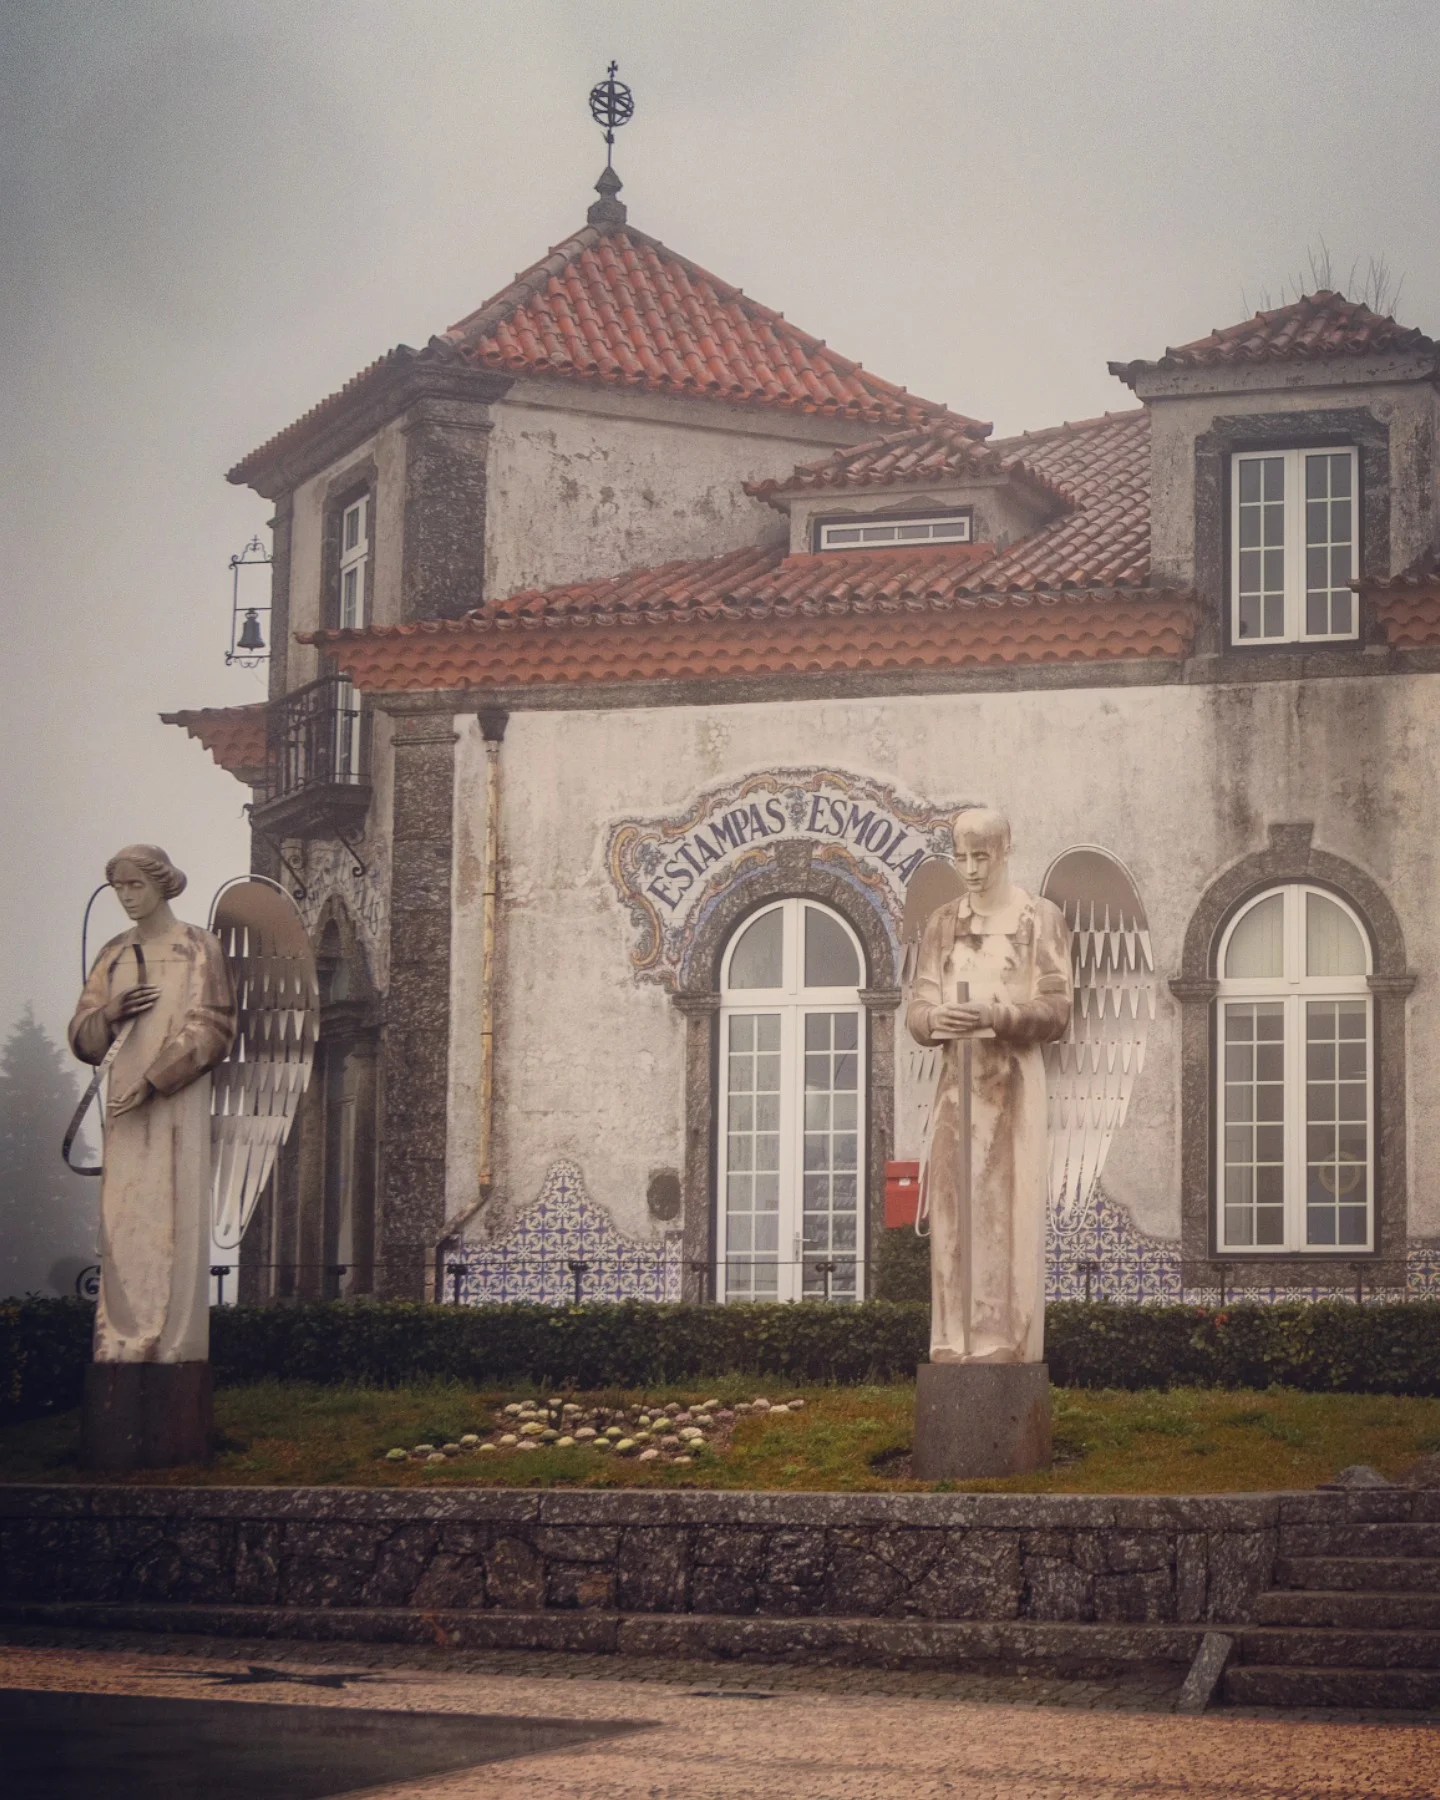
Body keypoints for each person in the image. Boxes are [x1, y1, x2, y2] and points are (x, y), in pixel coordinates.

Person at [906, 808, 1071, 1364]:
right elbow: (919, 1003)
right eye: (961, 857)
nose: (971, 869)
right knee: (954, 1211)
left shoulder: (1038, 919)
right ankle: (954, 1337)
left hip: (1013, 1087)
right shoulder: (942, 924)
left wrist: (999, 1015)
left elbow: (1057, 1008)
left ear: (1005, 851)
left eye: (982, 856)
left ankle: (1005, 1339)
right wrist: (934, 1022)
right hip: (957, 1088)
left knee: (1006, 1210)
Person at [68, 846, 235, 1364]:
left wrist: (156, 1078)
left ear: (161, 885)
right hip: (123, 1111)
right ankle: (119, 1336)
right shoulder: (114, 954)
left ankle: (168, 1340)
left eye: (135, 885)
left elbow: (214, 1025)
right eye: (118, 887)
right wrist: (110, 1012)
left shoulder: (197, 948)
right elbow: (83, 1036)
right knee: (122, 1219)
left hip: (172, 1106)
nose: (126, 896)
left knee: (169, 1214)